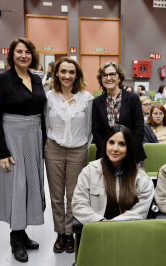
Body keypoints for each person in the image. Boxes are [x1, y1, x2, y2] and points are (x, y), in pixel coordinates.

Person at [0, 37, 46, 263]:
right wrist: (1, 151)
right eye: (19, 52)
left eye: (28, 52)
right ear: (12, 55)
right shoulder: (2, 79)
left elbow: (40, 111)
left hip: (34, 136)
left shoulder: (36, 79)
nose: (24, 55)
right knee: (16, 187)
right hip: (12, 136)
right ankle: (15, 238)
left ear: (33, 56)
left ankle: (22, 231)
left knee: (30, 185)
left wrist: (43, 142)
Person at [44, 57, 93, 254]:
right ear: (56, 73)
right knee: (56, 195)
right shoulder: (49, 97)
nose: (67, 76)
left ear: (77, 75)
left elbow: (89, 127)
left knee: (74, 194)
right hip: (53, 148)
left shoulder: (87, 98)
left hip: (78, 150)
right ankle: (60, 233)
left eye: (71, 72)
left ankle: (70, 232)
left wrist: (83, 146)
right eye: (63, 71)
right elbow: (44, 123)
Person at [72, 124, 154, 224]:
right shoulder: (89, 171)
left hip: (128, 232)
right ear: (105, 144)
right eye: (111, 142)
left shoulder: (141, 178)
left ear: (129, 148)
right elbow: (79, 204)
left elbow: (140, 211)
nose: (115, 148)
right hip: (96, 231)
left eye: (121, 144)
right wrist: (101, 222)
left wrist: (113, 224)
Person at [92, 61, 146, 164]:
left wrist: (127, 151)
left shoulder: (132, 98)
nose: (108, 78)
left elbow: (139, 129)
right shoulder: (97, 102)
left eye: (112, 74)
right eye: (105, 75)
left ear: (119, 77)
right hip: (106, 155)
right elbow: (96, 131)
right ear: (101, 79)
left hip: (131, 154)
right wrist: (108, 152)